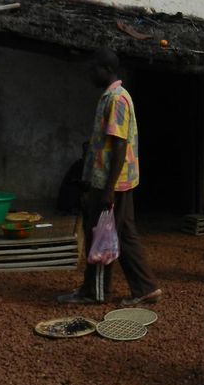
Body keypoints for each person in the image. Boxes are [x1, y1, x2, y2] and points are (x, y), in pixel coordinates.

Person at [57, 48, 161, 306]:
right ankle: (144, 288)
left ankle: (96, 292)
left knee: (102, 234)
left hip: (112, 182)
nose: (89, 74)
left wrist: (108, 189)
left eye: (92, 69)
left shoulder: (116, 99)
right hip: (110, 180)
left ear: (105, 68)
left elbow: (119, 145)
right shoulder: (111, 96)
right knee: (121, 233)